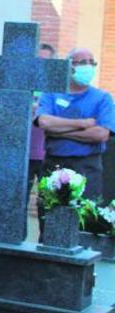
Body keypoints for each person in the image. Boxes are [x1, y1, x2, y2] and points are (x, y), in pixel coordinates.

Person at [37, 48, 115, 203]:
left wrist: (59, 132)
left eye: (92, 62)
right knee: (49, 212)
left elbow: (101, 134)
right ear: (70, 65)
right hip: (55, 163)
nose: (88, 66)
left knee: (84, 213)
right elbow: (44, 122)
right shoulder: (51, 94)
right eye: (83, 62)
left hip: (87, 166)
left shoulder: (102, 98)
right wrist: (83, 124)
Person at [28, 43, 56, 226]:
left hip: (47, 154)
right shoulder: (22, 86)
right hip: (23, 154)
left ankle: (44, 239)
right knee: (16, 201)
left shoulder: (56, 89)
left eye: (46, 61)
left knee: (46, 204)